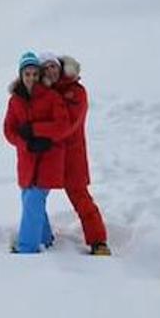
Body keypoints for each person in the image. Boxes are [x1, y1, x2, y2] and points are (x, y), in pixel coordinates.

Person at [3, 50, 73, 254]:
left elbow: (63, 125)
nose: (31, 78)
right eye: (27, 74)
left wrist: (36, 131)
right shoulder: (15, 100)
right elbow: (9, 130)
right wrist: (25, 144)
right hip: (27, 160)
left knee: (33, 199)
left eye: (35, 74)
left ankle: (27, 248)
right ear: (21, 75)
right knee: (29, 198)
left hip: (49, 158)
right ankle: (45, 237)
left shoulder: (51, 97)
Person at [48, 53, 112, 256]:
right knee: (34, 199)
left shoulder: (76, 92)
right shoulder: (45, 92)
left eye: (53, 67)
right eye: (46, 68)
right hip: (49, 157)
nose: (50, 71)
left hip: (72, 158)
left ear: (61, 68)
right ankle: (40, 236)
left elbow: (67, 125)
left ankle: (98, 241)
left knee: (81, 199)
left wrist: (35, 132)